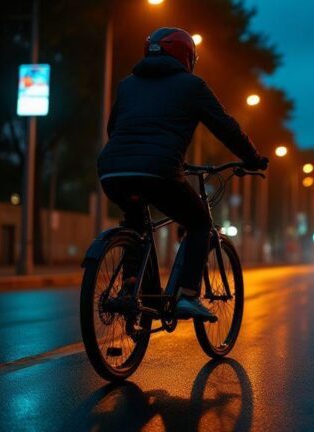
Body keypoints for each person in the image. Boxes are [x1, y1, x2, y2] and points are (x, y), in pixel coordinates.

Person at [97, 27, 267, 321]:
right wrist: (251, 158)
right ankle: (187, 295)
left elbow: (113, 129)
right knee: (199, 222)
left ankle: (131, 290)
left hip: (112, 170)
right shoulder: (192, 86)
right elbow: (225, 127)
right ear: (186, 56)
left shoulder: (127, 85)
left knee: (135, 223)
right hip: (159, 171)